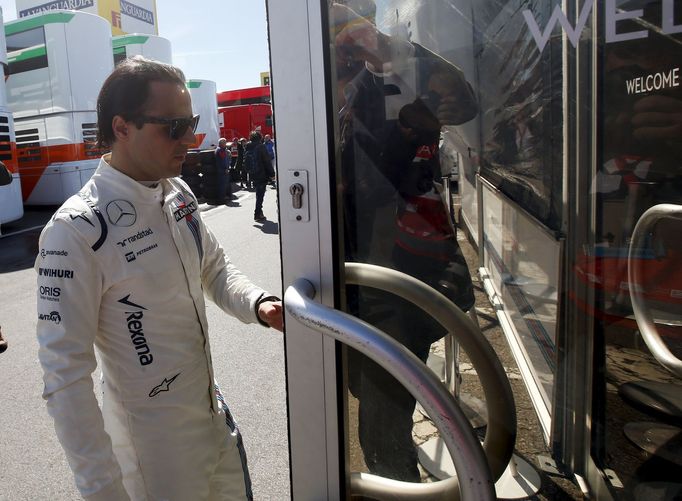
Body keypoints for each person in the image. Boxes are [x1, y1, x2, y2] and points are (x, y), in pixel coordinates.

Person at [35, 56, 283, 501]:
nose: (191, 138)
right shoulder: (74, 231)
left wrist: (259, 304)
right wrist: (103, 490)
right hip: (155, 459)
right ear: (123, 127)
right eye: (174, 127)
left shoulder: (177, 192)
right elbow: (65, 378)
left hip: (213, 418)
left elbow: (215, 268)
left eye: (191, 122)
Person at [332, 0, 479, 482]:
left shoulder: (396, 78)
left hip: (399, 273)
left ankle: (396, 483)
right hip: (351, 271)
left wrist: (387, 48)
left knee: (383, 408)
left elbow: (462, 100)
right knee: (366, 388)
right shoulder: (330, 94)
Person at [244, 131, 275, 223]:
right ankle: (257, 213)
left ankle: (259, 212)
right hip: (261, 173)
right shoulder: (261, 146)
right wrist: (272, 174)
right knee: (260, 194)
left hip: (253, 173)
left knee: (259, 193)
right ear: (260, 137)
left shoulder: (248, 146)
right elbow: (267, 161)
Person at [214, 137, 233, 204]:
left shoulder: (223, 150)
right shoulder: (220, 150)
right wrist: (226, 169)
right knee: (222, 184)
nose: (226, 144)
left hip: (222, 170)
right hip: (222, 170)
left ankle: (224, 197)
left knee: (225, 184)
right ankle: (221, 199)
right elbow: (223, 161)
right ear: (221, 143)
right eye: (225, 142)